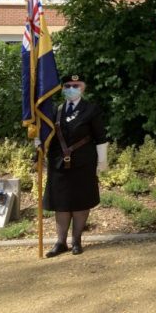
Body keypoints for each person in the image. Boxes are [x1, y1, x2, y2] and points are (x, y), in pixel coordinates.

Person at [43, 73, 108, 257]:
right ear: (62, 88)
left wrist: (101, 163)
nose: (72, 88)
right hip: (58, 164)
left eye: (76, 85)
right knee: (61, 203)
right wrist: (38, 149)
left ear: (83, 87)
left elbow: (100, 137)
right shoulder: (56, 109)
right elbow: (47, 135)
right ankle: (60, 242)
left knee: (80, 202)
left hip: (83, 162)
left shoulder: (91, 109)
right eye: (68, 85)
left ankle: (76, 240)